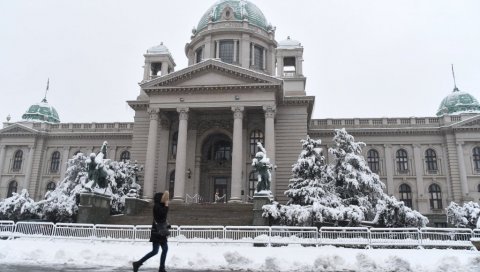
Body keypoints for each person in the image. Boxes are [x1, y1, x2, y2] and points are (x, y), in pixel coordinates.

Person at [133, 191, 170, 272]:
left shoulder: (160, 206)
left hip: (160, 232)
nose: (165, 199)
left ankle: (161, 268)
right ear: (160, 198)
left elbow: (163, 218)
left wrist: (167, 225)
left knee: (164, 249)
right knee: (155, 251)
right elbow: (162, 216)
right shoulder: (157, 206)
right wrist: (166, 206)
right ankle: (138, 263)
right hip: (157, 232)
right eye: (163, 197)